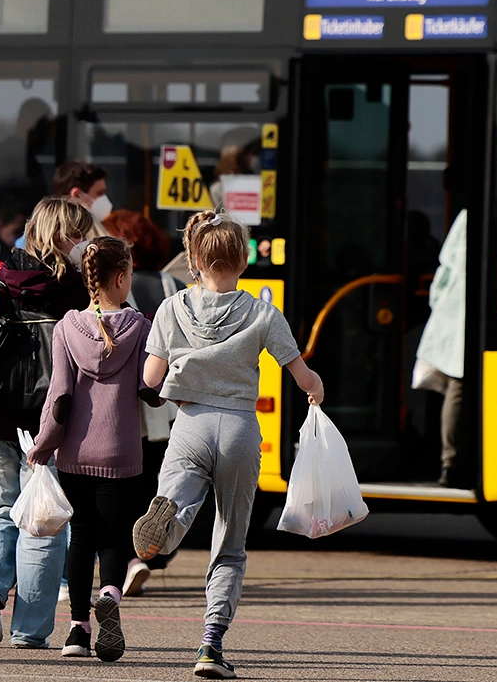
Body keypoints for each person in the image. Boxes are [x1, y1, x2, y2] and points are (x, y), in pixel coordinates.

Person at [133, 210, 324, 679]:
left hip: (190, 423)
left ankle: (166, 525)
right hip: (240, 427)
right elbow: (303, 375)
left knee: (178, 505)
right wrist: (316, 391)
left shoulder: (172, 307)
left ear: (194, 260)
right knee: (230, 542)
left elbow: (151, 379)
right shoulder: (262, 312)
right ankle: (211, 644)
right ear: (242, 261)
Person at [0, 197, 94, 650]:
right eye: (82, 234)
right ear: (68, 236)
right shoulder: (80, 290)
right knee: (43, 522)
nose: (86, 242)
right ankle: (29, 630)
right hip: (54, 422)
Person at [28, 236, 152, 662]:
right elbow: (148, 388)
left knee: (79, 538)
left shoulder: (66, 327)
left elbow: (60, 397)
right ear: (120, 279)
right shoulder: (139, 327)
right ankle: (111, 595)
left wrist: (43, 444)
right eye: (131, 274)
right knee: (115, 536)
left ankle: (78, 630)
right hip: (121, 452)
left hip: (75, 454)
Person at [102, 209, 185, 596]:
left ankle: (128, 560)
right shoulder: (173, 284)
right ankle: (142, 554)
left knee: (121, 485)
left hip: (125, 399)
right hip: (164, 400)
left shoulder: (118, 287)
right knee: (151, 480)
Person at [414, 209, 467, 488]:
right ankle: (452, 463)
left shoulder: (468, 217)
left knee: (455, 386)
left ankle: (450, 462)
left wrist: (438, 302)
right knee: (458, 386)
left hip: (453, 311)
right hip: (461, 316)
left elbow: (445, 267)